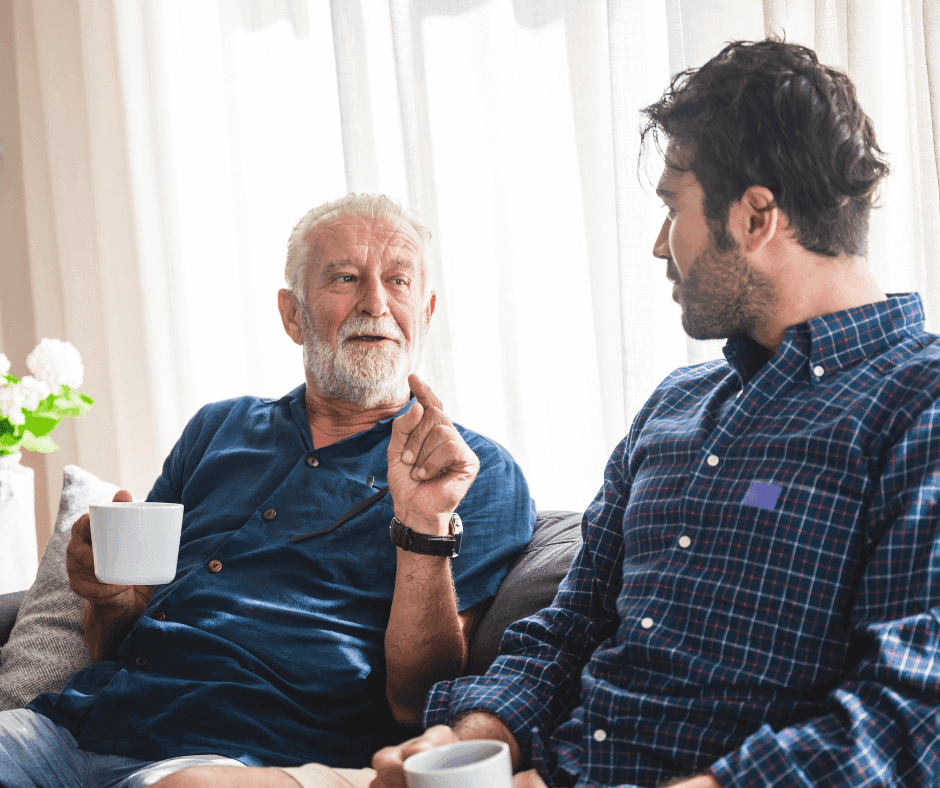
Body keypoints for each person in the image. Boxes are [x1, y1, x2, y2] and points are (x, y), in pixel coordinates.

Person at [158, 38, 940, 787]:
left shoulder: (917, 408)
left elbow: (910, 722)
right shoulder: (677, 408)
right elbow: (566, 633)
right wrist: (465, 739)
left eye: (675, 206)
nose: (661, 246)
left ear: (755, 217)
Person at [0, 193, 536, 787]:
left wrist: (422, 527)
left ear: (426, 311)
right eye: (345, 278)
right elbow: (117, 643)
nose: (376, 303)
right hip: (75, 729)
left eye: (398, 281)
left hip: (240, 758)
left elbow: (418, 699)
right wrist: (107, 596)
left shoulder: (471, 471)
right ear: (293, 314)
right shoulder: (218, 428)